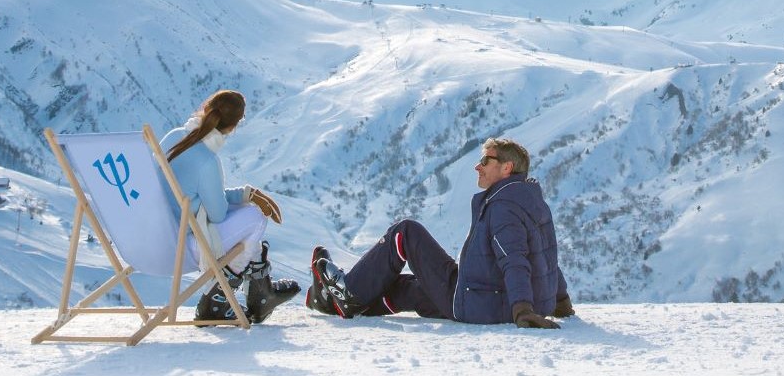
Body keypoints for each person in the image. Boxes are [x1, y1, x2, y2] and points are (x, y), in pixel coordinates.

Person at [307, 137, 574, 328]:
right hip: (485, 296)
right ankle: (330, 302)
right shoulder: (531, 200)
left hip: (477, 301)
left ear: (506, 168)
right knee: (404, 288)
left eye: (485, 160)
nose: (477, 166)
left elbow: (514, 258)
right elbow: (544, 256)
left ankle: (348, 292)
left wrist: (523, 309)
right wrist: (558, 300)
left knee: (406, 232)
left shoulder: (503, 206)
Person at [161, 89, 301, 323]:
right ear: (232, 127)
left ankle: (260, 292)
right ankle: (218, 297)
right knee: (255, 218)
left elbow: (191, 196)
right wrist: (247, 197)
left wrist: (246, 194)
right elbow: (217, 214)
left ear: (205, 108)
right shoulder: (207, 160)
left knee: (247, 212)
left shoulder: (174, 137)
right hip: (182, 245)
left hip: (154, 236)